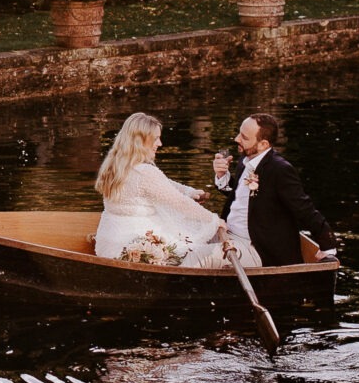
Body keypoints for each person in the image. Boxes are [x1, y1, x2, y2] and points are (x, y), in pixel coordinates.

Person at [94, 112, 257, 267]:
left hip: (107, 244)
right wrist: (213, 220)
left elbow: (164, 184)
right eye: (156, 139)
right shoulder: (145, 172)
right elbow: (179, 203)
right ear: (141, 141)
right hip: (132, 247)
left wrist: (189, 192)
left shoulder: (115, 164)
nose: (160, 144)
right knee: (194, 244)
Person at [212, 110, 337, 266]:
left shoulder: (280, 170)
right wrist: (222, 175)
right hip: (227, 235)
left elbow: (304, 209)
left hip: (257, 247)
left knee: (195, 258)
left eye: (244, 137)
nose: (237, 139)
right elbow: (239, 196)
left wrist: (328, 245)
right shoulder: (246, 159)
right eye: (239, 133)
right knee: (182, 245)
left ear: (263, 144)